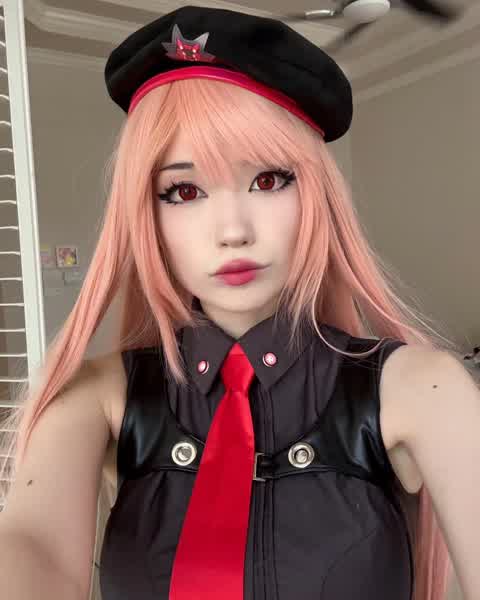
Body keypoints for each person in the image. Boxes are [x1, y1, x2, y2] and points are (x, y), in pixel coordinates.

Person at [0, 5, 479, 600]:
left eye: (268, 180)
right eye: (184, 190)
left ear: (318, 195)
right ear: (145, 216)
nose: (232, 231)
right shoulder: (94, 399)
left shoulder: (423, 389)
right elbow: (34, 549)